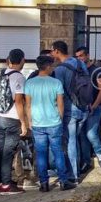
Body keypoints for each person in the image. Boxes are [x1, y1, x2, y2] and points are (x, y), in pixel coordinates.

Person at [24, 55, 75, 192]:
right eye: (51, 66)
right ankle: (63, 181)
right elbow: (60, 104)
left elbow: (27, 105)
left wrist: (30, 121)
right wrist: (60, 117)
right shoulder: (56, 83)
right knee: (58, 152)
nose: (53, 68)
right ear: (47, 67)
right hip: (53, 122)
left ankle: (44, 183)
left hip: (37, 122)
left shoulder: (29, 83)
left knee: (41, 153)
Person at [51, 40, 90, 183]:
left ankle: (73, 175)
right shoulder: (79, 63)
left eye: (52, 51)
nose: (51, 53)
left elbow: (58, 94)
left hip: (70, 109)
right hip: (84, 107)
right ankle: (77, 169)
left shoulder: (59, 70)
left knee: (70, 142)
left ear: (57, 51)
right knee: (76, 140)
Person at [0, 49, 27, 195]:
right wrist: (23, 122)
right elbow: (19, 102)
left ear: (9, 60)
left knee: (0, 151)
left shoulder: (0, 74)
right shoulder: (19, 77)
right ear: (21, 60)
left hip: (0, 116)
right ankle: (7, 186)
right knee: (8, 153)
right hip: (12, 118)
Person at [75, 46, 101, 168]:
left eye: (81, 56)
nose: (79, 59)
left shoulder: (97, 70)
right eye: (77, 57)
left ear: (87, 55)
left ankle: (99, 153)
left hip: (94, 107)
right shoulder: (78, 71)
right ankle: (86, 161)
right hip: (81, 108)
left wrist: (94, 105)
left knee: (90, 133)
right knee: (82, 136)